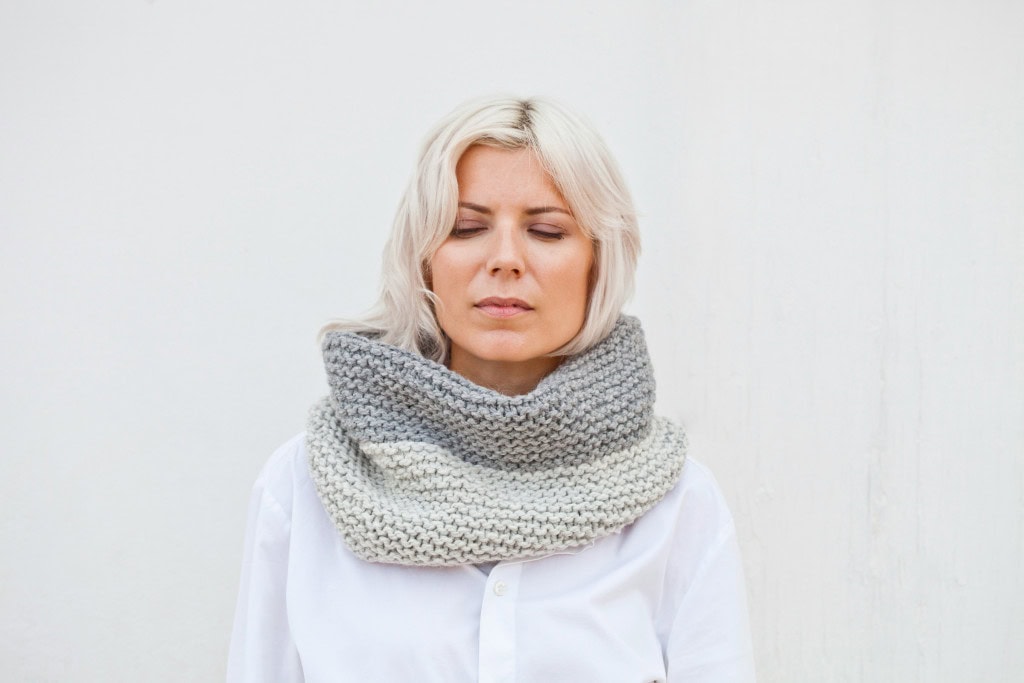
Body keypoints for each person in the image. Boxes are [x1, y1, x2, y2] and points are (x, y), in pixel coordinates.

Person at [227, 96, 756, 682]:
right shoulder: (304, 486)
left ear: (598, 264)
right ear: (424, 258)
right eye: (467, 227)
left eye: (547, 230)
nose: (505, 259)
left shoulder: (678, 505)